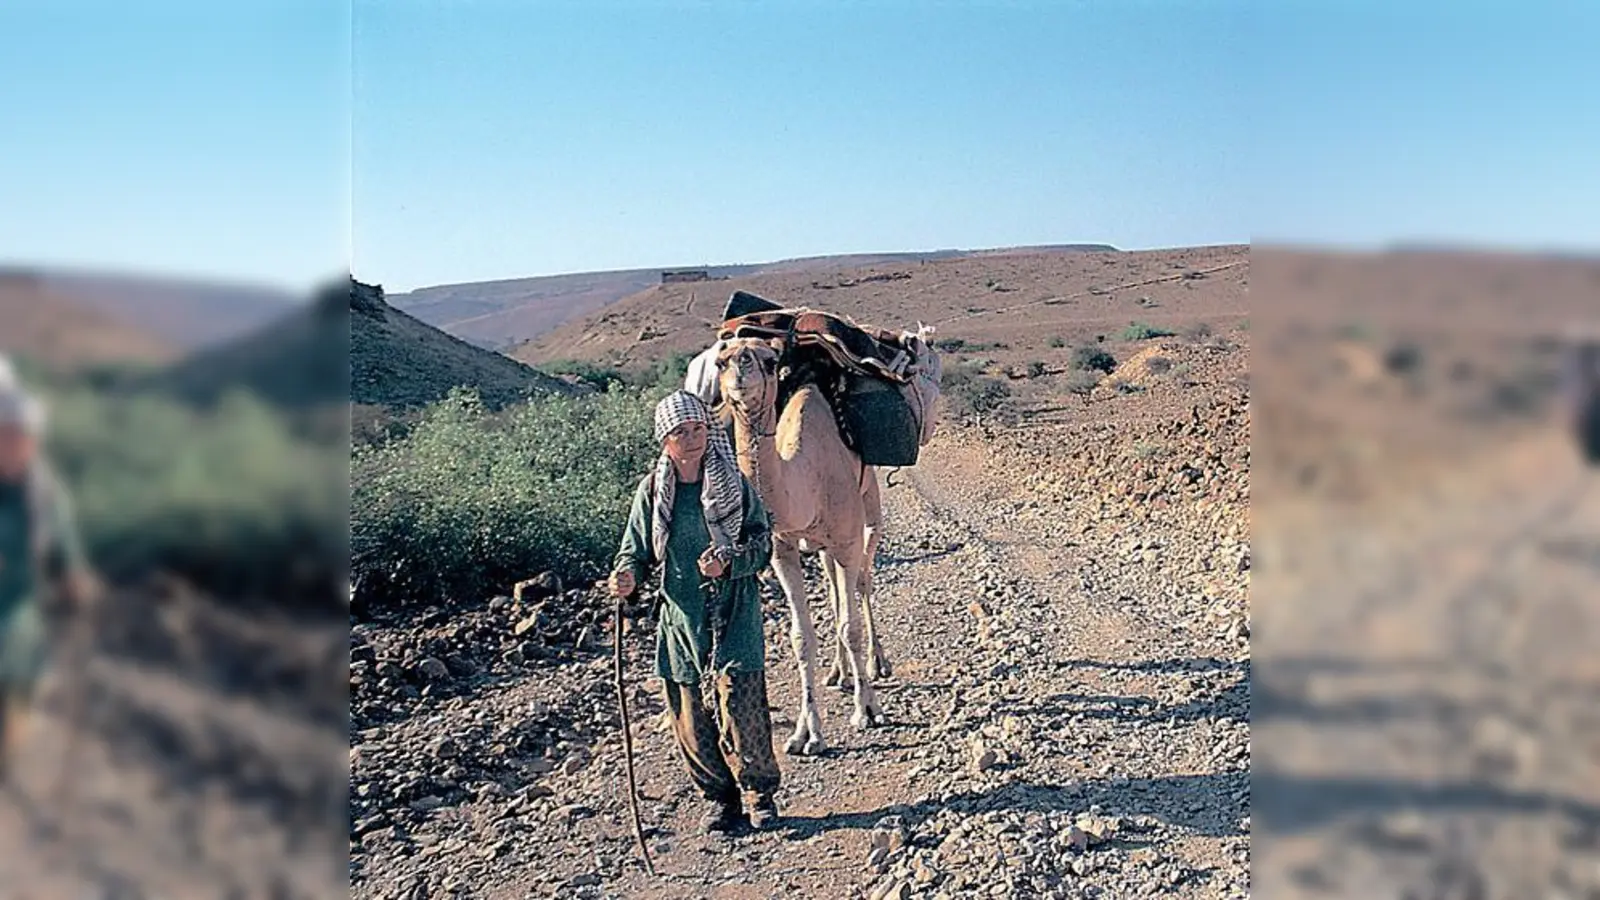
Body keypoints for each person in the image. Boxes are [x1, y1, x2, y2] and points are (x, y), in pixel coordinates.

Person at [610, 390, 782, 834]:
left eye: (698, 429)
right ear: (664, 440)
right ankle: (720, 799)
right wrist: (626, 577)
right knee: (689, 716)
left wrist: (730, 562)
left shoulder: (733, 484)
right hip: (681, 617)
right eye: (680, 432)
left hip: (735, 609)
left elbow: (762, 543)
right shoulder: (653, 492)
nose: (692, 439)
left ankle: (759, 794)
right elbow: (635, 550)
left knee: (742, 704)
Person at [0, 375, 99, 778]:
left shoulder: (45, 494)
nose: (17, 445)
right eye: (8, 435)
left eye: (25, 437)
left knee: (14, 717)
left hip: (19, 617)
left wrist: (75, 576)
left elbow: (65, 550)